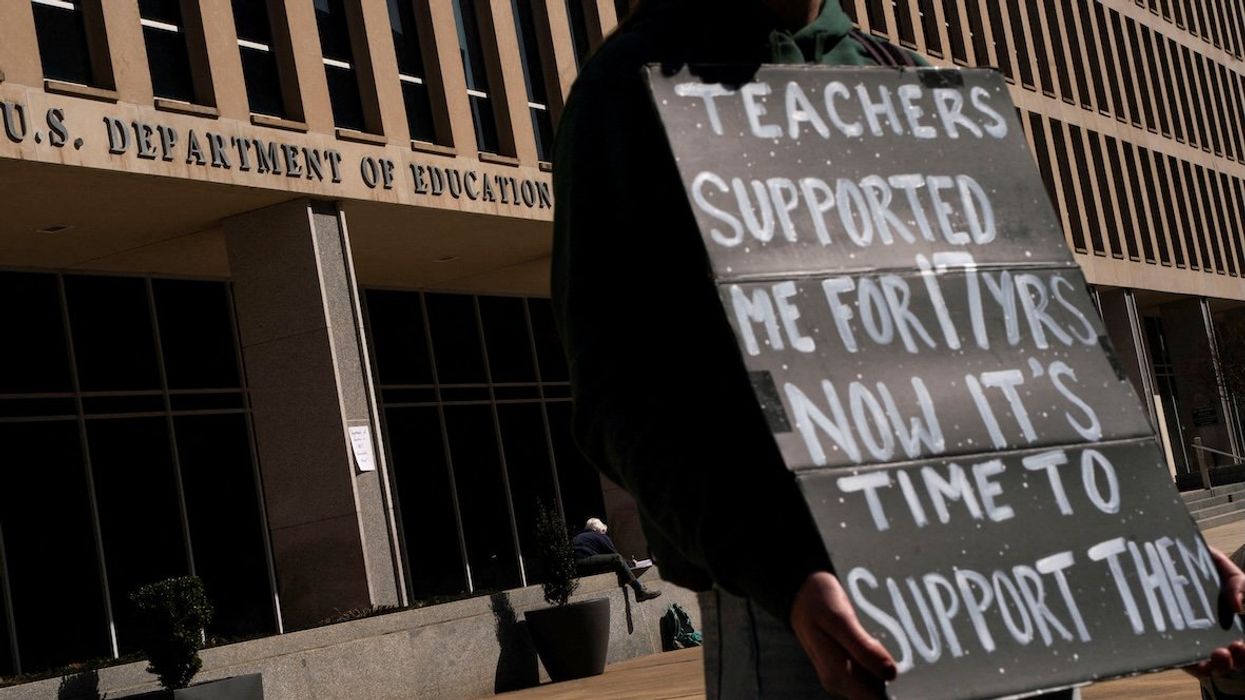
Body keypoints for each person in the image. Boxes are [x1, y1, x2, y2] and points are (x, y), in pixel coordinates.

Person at [550, 0, 1245, 697]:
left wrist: (1148, 547)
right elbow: (622, 392)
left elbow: (1025, 357)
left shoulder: (907, 80)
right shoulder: (629, 91)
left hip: (1014, 590)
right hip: (811, 616)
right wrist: (779, 571)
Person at [572, 517, 663, 602]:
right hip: (583, 561)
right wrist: (631, 563)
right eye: (604, 531)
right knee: (617, 558)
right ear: (598, 529)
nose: (604, 534)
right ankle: (640, 591)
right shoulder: (598, 535)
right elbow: (614, 555)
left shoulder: (582, 536)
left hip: (575, 566)